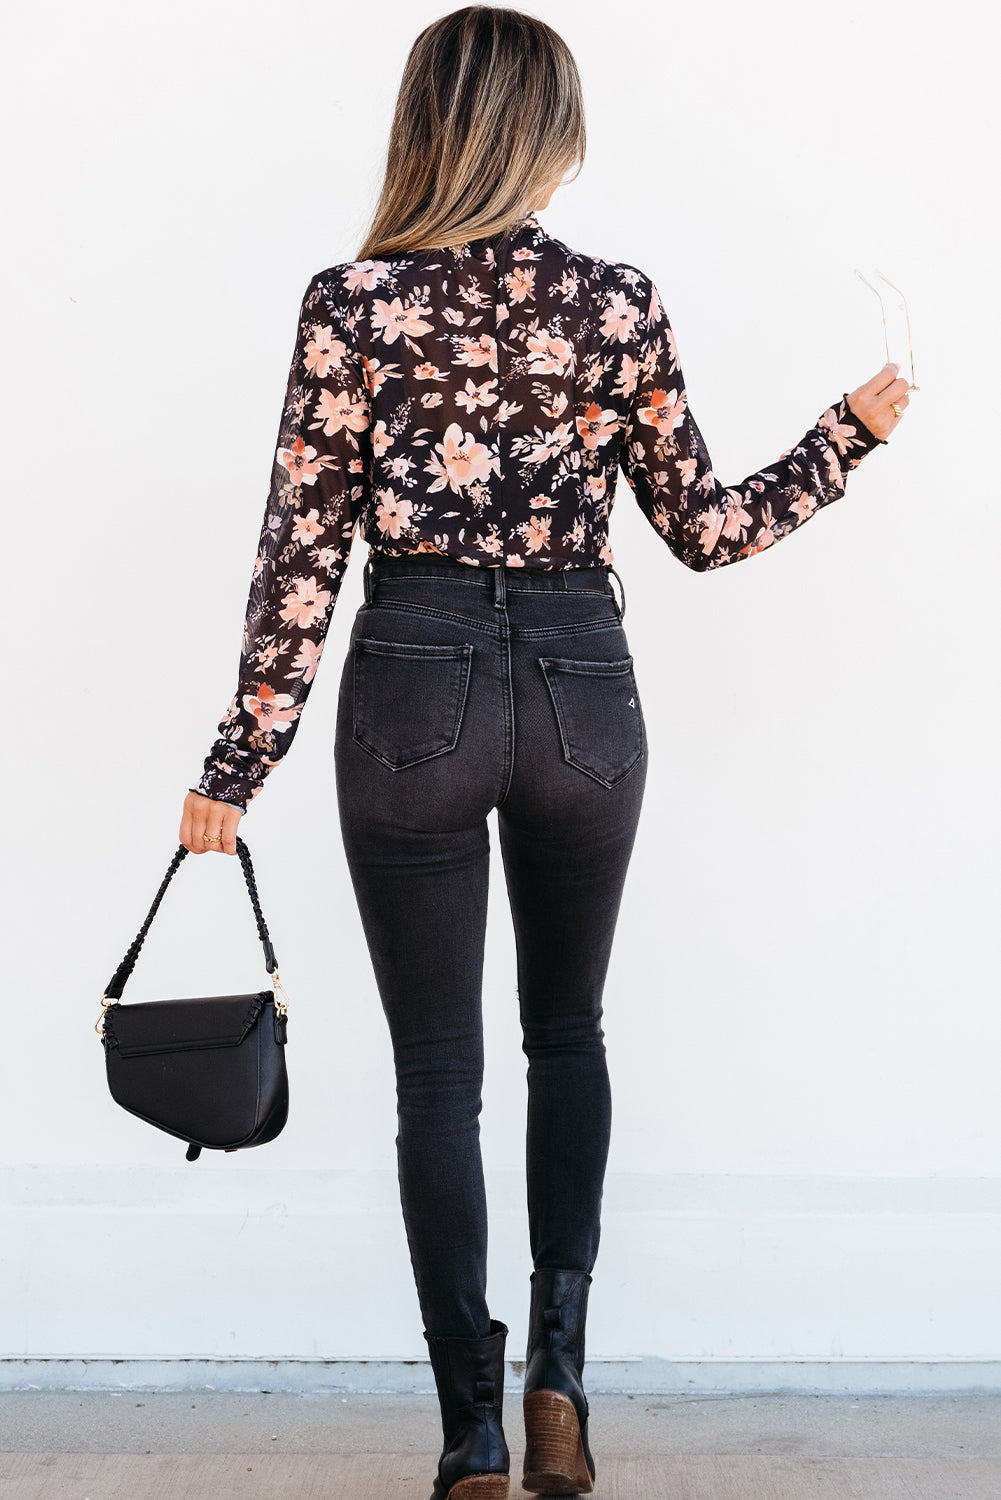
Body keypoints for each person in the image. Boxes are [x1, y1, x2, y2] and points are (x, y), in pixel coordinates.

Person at [178, 7, 908, 1495]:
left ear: (426, 126)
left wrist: (235, 766)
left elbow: (299, 555)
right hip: (584, 688)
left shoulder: (350, 303)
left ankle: (470, 1428)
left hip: (412, 683)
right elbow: (705, 529)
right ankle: (561, 1376)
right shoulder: (616, 301)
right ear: (547, 137)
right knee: (566, 1035)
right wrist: (846, 433)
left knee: (436, 1076)